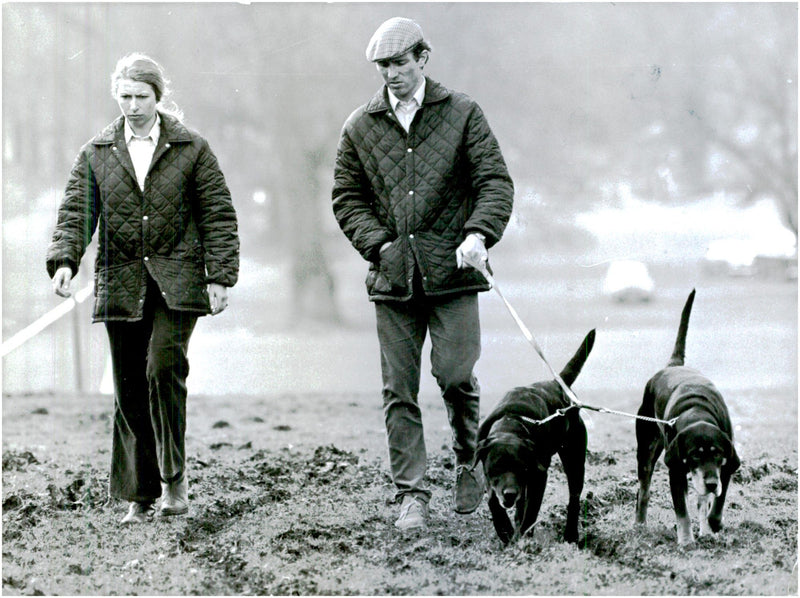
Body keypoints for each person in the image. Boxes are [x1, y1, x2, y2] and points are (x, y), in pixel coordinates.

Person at [332, 17, 514, 531]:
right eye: (382, 66)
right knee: (399, 390)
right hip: (393, 280)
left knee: (456, 377)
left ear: (423, 58)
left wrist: (478, 233)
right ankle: (412, 494)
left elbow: (495, 182)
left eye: (399, 63)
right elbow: (347, 198)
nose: (390, 74)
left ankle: (467, 460)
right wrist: (379, 245)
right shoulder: (360, 126)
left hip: (454, 275)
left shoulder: (463, 113)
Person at [46, 53, 239, 525]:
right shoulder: (96, 152)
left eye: (141, 96)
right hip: (121, 280)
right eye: (124, 96)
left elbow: (218, 214)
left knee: (163, 368)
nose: (132, 105)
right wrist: (65, 261)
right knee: (129, 385)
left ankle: (174, 480)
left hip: (178, 280)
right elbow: (76, 212)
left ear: (158, 96)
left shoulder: (192, 147)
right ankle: (140, 494)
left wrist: (219, 276)